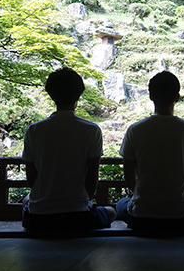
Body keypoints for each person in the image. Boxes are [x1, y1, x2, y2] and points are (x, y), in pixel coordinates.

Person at [21, 67, 115, 236]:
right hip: (79, 217)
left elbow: (31, 176)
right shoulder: (91, 130)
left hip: (38, 219)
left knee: (27, 199)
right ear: (79, 95)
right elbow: (92, 177)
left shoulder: (34, 130)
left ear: (51, 94)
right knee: (111, 211)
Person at [116, 71, 184, 231]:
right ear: (177, 97)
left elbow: (129, 177)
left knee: (121, 204)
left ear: (150, 96)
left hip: (141, 217)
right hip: (180, 217)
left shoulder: (135, 129)